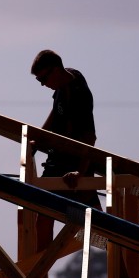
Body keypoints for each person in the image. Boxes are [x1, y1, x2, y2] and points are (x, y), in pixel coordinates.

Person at [29, 50, 102, 251]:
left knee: (96, 229)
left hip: (75, 163)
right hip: (57, 159)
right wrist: (37, 139)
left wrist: (80, 171)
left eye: (43, 78)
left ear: (57, 70)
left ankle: (122, 273)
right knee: (43, 220)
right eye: (39, 81)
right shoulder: (66, 80)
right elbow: (55, 113)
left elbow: (90, 137)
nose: (43, 84)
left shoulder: (80, 94)